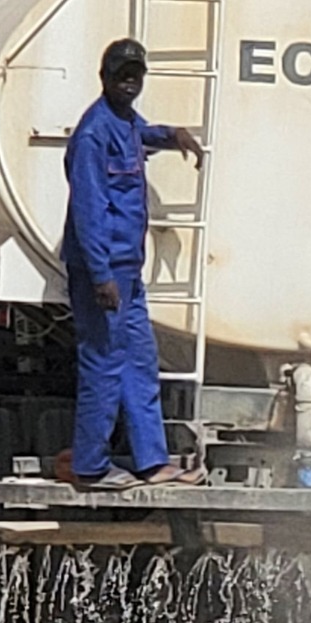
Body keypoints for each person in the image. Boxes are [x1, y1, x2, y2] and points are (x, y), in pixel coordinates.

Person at [61, 37, 204, 490]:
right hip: (103, 273)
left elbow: (142, 133)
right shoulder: (93, 133)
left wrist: (171, 135)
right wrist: (101, 275)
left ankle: (151, 461)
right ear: (103, 78)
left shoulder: (124, 122)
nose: (129, 81)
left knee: (140, 363)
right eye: (122, 74)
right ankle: (89, 467)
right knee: (103, 364)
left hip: (129, 271)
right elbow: (88, 208)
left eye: (136, 74)